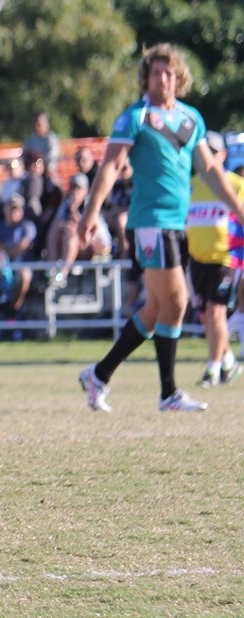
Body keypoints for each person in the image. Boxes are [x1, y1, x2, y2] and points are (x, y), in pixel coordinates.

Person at [77, 44, 244, 412]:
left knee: (156, 308)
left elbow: (210, 171)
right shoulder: (134, 118)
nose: (162, 79)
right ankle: (168, 393)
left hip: (176, 225)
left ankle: (98, 375)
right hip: (150, 222)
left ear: (179, 77)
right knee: (177, 302)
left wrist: (239, 209)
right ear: (146, 77)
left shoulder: (190, 119)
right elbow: (109, 166)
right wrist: (90, 214)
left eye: (168, 72)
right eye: (155, 72)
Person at [186, 132, 244, 386]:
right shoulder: (192, 184)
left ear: (222, 155)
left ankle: (213, 371)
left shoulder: (235, 184)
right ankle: (229, 362)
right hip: (197, 259)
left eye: (212, 151)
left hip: (227, 258)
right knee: (206, 316)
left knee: (215, 312)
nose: (206, 156)